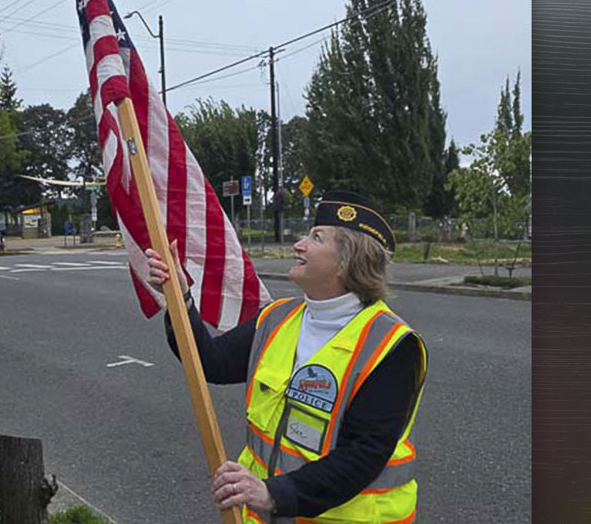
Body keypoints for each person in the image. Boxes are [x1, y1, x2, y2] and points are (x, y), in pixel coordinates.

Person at [146, 191, 426, 523]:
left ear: (347, 262)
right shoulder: (277, 317)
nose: (299, 244)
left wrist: (274, 494)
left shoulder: (392, 345)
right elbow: (212, 361)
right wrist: (181, 300)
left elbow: (364, 454)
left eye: (316, 237)